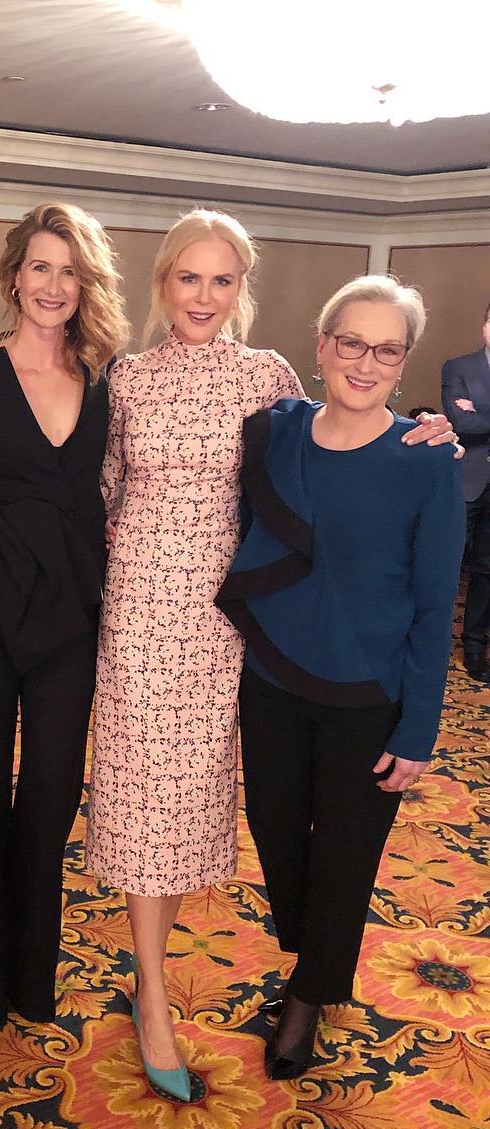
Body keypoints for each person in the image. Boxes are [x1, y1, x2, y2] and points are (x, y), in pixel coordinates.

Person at [85, 210, 459, 1100]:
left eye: (222, 280)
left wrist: (433, 427)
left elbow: (339, 459)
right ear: (163, 282)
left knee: (207, 810)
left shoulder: (270, 381)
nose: (203, 295)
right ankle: (154, 994)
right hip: (149, 619)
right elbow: (95, 494)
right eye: (188, 277)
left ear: (241, 290)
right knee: (160, 806)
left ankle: (283, 983)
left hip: (237, 628)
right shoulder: (127, 379)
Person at [219, 275, 465, 1080]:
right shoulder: (276, 432)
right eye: (351, 342)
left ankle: (309, 995)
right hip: (273, 679)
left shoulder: (426, 460)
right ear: (322, 347)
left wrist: (419, 729)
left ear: (403, 362)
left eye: (386, 350)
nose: (365, 363)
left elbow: (435, 604)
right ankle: (312, 955)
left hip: (369, 696)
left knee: (345, 857)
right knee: (277, 835)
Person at [0, 203, 128, 1029]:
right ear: (14, 276)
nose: (53, 285)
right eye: (40, 266)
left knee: (51, 788)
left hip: (72, 605)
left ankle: (30, 970)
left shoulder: (107, 380)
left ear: (86, 284)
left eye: (69, 271)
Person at [441, 302, 490, 681]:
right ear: (485, 325)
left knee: (488, 571)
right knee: (445, 564)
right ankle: (433, 638)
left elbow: (476, 419)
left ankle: (474, 645)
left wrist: (479, 412)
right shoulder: (458, 367)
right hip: (467, 481)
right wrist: (470, 415)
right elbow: (462, 423)